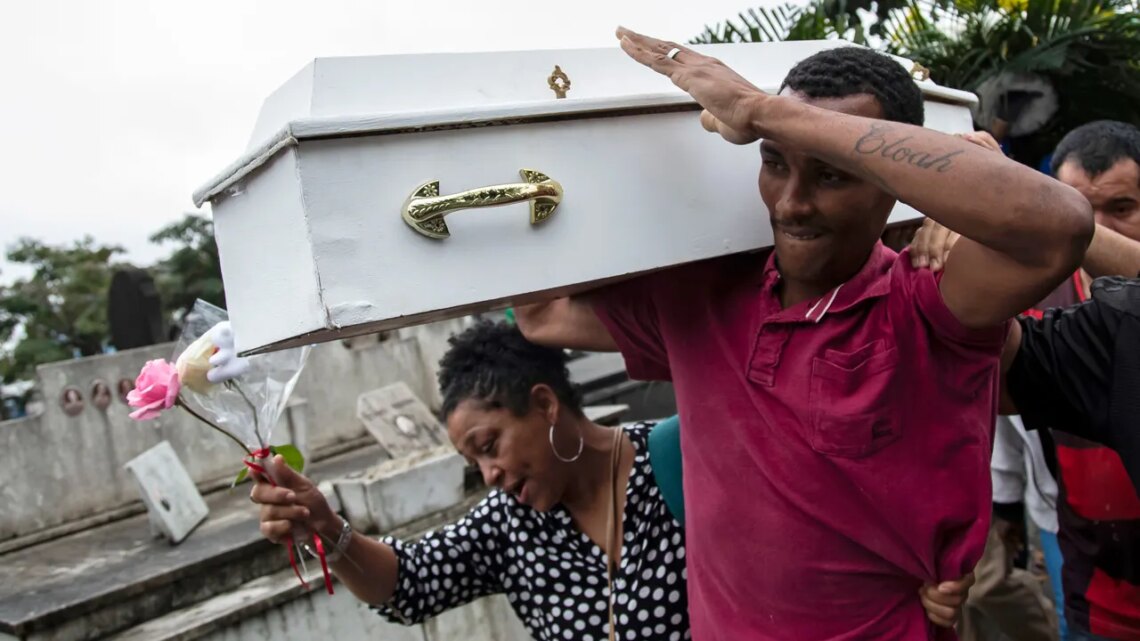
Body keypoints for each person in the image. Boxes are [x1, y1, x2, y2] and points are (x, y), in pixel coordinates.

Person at [515, 28, 1093, 640]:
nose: (791, 204)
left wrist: (762, 111)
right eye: (772, 161)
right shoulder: (699, 300)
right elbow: (542, 314)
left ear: (892, 184)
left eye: (833, 174)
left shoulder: (924, 302)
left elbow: (1057, 229)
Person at [235, 321, 973, 641]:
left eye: (491, 446)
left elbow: (822, 526)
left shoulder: (688, 460)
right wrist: (330, 531)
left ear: (545, 404)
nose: (489, 475)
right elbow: (411, 583)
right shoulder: (510, 528)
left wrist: (912, 580)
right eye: (474, 463)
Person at [911, 120, 1140, 641]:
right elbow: (987, 389)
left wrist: (1042, 211)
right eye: (1079, 207)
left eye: (1121, 209)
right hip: (1088, 575)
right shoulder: (1032, 297)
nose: (1098, 225)